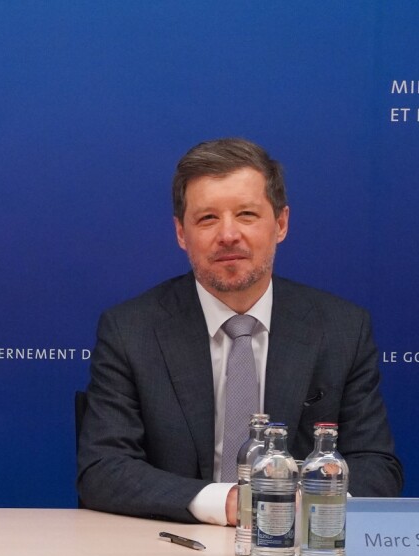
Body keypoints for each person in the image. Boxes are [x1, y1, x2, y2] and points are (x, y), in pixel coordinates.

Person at [77, 138, 403, 524]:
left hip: (297, 543)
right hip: (172, 542)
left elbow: (375, 466)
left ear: (280, 224)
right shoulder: (130, 330)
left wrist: (309, 504)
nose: (228, 234)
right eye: (207, 218)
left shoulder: (342, 329)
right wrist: (233, 503)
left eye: (246, 214)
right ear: (181, 233)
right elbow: (103, 467)